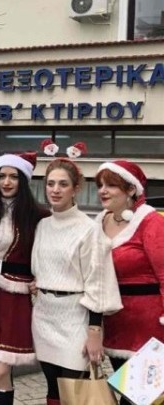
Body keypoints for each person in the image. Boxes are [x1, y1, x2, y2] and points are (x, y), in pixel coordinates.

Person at [31, 158, 122, 405]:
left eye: (63, 184)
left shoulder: (89, 229)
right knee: (52, 389)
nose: (55, 189)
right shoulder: (42, 226)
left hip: (75, 318)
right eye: (50, 184)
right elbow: (39, 269)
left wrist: (95, 332)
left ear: (76, 188)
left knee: (76, 392)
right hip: (44, 316)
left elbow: (98, 281)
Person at [0, 152, 49, 405]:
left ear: (23, 181)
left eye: (13, 177)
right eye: (2, 176)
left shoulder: (38, 216)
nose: (6, 182)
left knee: (0, 369)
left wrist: (42, 279)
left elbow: (49, 254)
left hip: (14, 297)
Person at [94, 160, 164, 405]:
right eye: (100, 185)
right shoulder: (99, 222)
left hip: (149, 329)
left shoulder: (151, 222)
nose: (102, 190)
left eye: (110, 185)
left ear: (131, 190)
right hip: (114, 326)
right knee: (128, 393)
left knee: (140, 398)